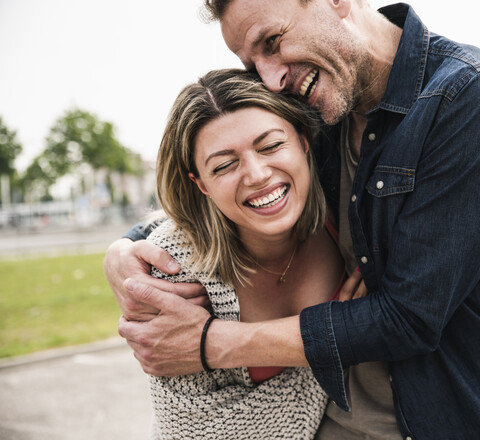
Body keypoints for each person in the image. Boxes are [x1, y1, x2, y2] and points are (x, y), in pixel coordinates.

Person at [105, 1, 480, 438]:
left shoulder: (461, 99)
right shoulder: (319, 102)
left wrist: (210, 343)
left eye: (272, 42)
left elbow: (409, 318)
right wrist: (123, 253)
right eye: (252, 63)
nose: (270, 79)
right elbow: (214, 193)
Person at [130, 68, 364, 439]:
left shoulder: (350, 219)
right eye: (224, 165)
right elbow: (190, 431)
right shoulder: (174, 269)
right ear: (200, 184)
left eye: (271, 145)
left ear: (303, 140)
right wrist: (338, 341)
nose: (256, 174)